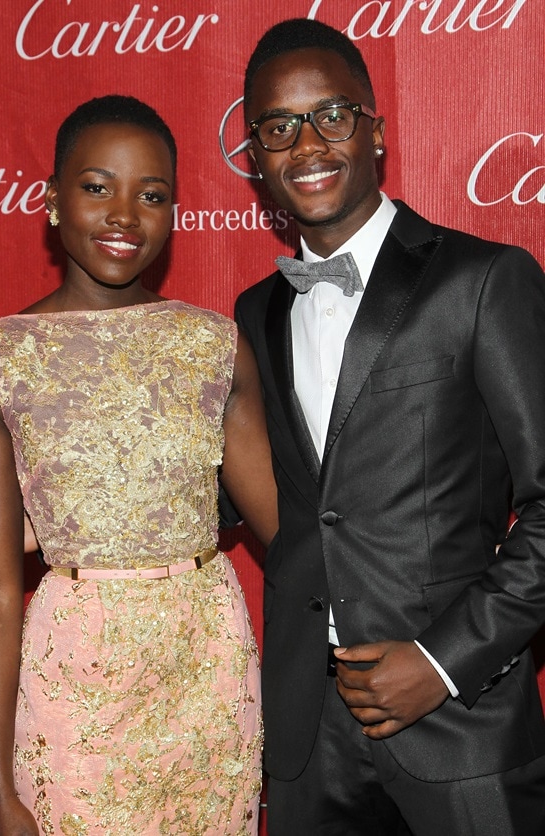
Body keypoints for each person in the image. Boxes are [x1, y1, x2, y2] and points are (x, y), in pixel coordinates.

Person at [234, 17, 545, 836]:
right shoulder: (254, 314)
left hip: (458, 719)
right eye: (278, 127)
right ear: (256, 158)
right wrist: (51, 522)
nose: (307, 144)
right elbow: (273, 491)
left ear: (377, 128)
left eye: (332, 115)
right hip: (306, 733)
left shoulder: (482, 282)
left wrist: (444, 662)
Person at [0, 94, 277, 836]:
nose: (125, 213)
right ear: (52, 201)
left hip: (208, 673)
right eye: (98, 187)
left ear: (175, 213)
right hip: (76, 681)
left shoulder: (213, 345)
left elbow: (288, 528)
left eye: (152, 194)